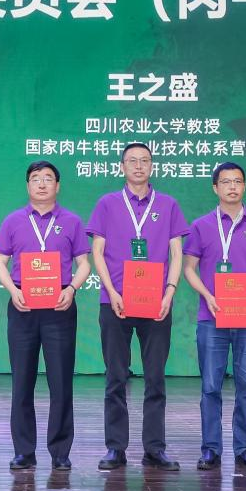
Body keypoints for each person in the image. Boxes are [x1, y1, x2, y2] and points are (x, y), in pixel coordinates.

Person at [88, 142, 189, 472]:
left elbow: (177, 253)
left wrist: (169, 292)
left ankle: (154, 448)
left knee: (155, 378)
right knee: (115, 377)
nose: (139, 165)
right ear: (122, 167)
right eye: (132, 160)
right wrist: (111, 291)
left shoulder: (168, 204)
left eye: (145, 160)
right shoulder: (107, 203)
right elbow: (97, 252)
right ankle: (115, 448)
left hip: (156, 303)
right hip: (115, 301)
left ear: (152, 166)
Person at [0, 160, 91, 472]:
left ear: (58, 186)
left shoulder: (72, 221)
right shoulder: (13, 221)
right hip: (23, 305)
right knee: (22, 381)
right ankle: (24, 451)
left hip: (60, 305)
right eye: (36, 178)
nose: (42, 183)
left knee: (60, 382)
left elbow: (84, 264)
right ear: (28, 186)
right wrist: (13, 291)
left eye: (48, 178)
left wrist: (71, 289)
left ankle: (60, 451)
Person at [182, 162, 246, 472]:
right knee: (211, 386)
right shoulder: (201, 225)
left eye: (238, 181)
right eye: (226, 182)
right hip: (212, 316)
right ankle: (211, 449)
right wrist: (207, 296)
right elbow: (188, 268)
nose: (232, 186)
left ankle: (245, 449)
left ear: (245, 186)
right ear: (215, 188)